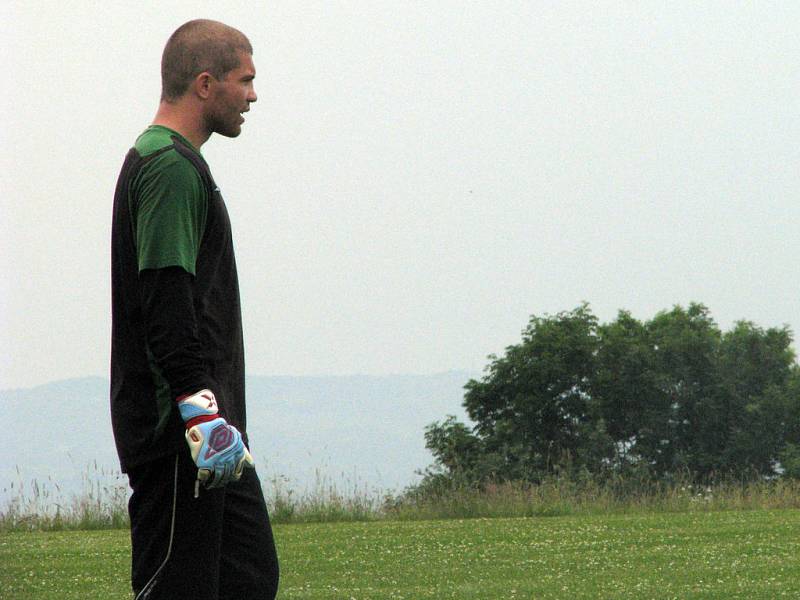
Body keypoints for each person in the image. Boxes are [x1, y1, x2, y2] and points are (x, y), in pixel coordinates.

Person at [110, 19, 279, 600]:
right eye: (245, 80)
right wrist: (200, 416)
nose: (254, 96)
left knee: (249, 577)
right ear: (205, 84)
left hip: (210, 430)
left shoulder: (178, 164)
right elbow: (165, 299)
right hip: (180, 430)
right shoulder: (168, 168)